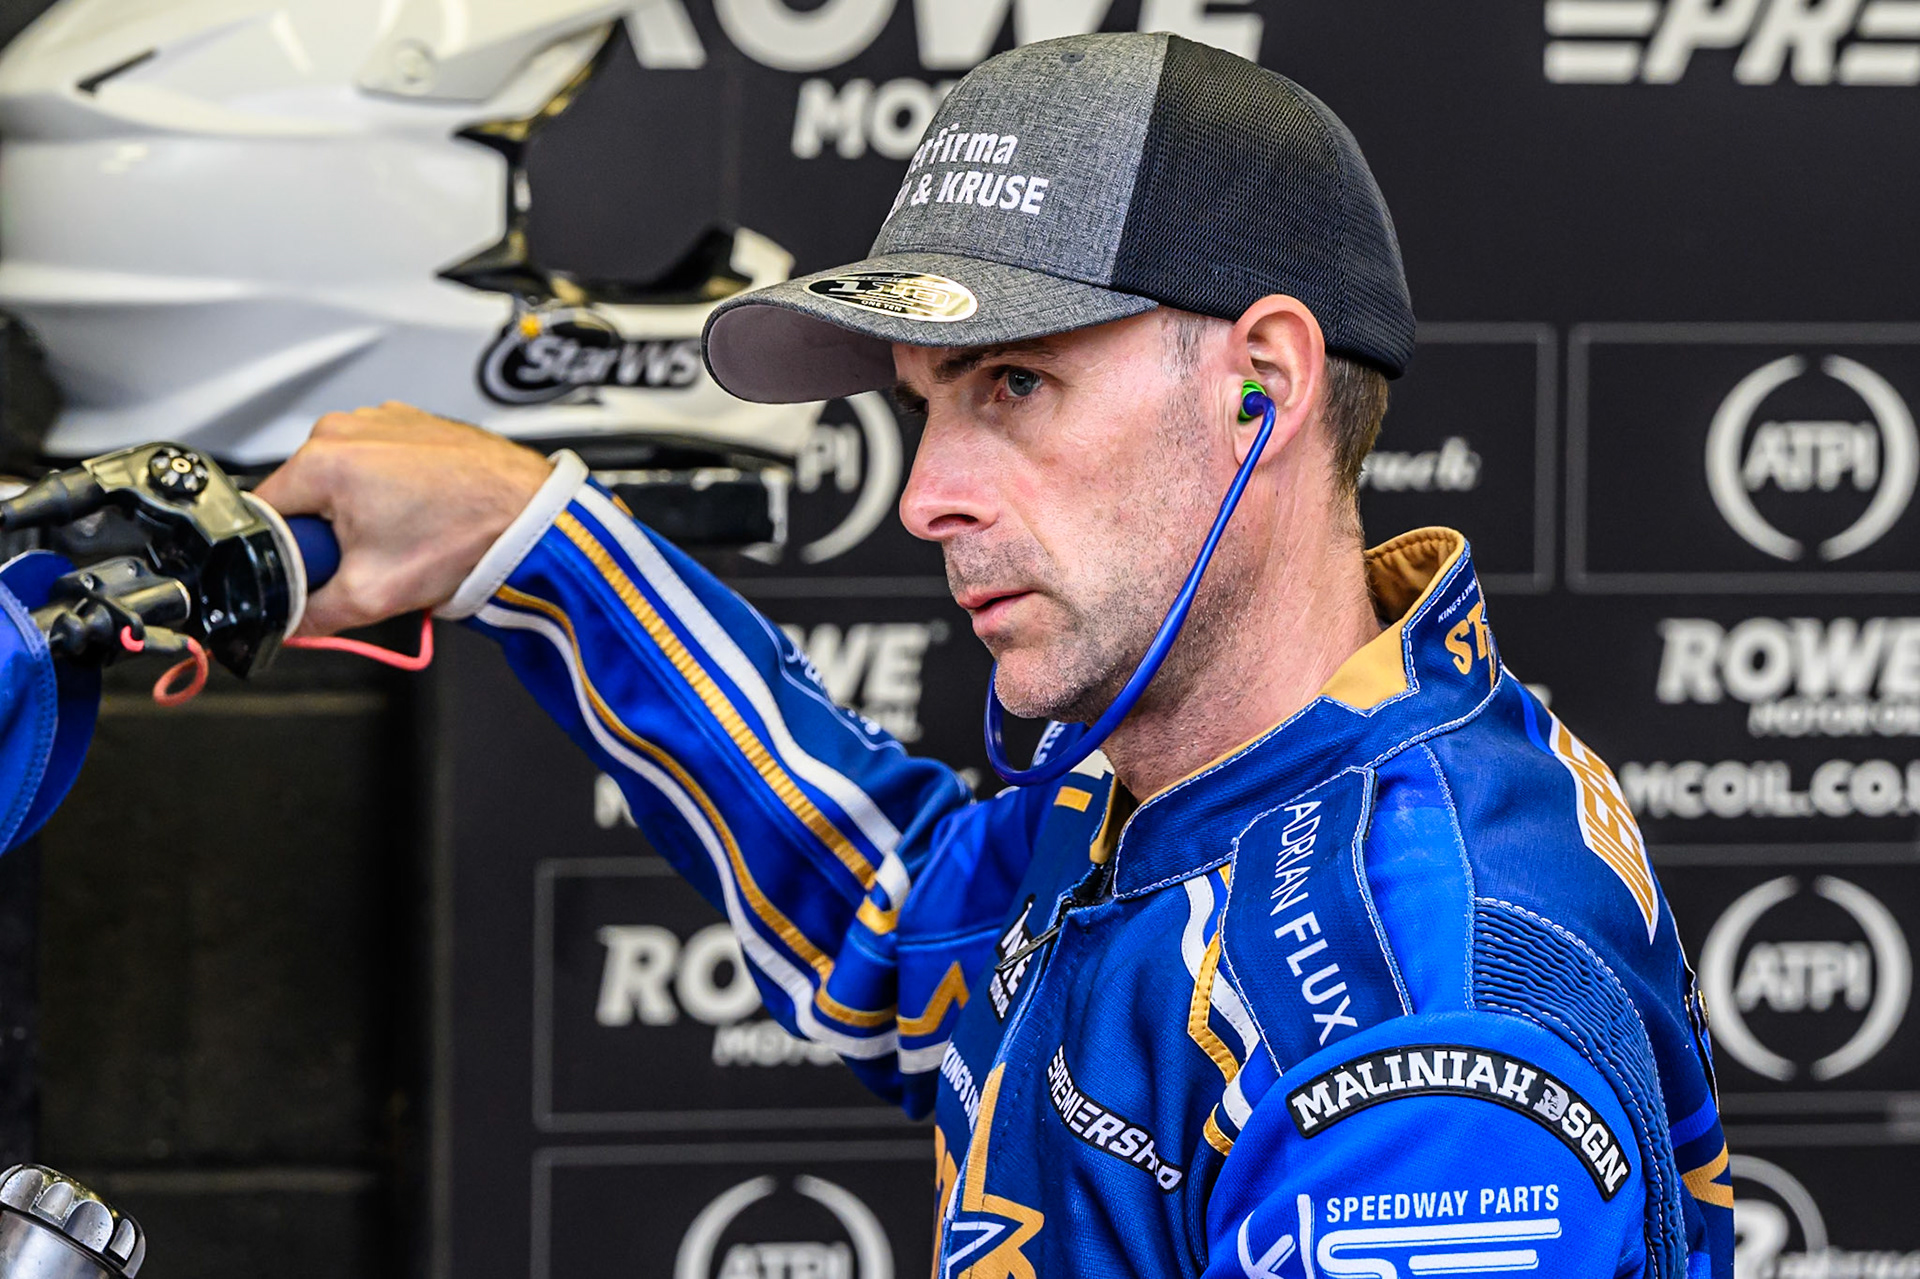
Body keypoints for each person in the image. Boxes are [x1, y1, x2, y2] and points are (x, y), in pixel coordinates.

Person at [258, 32, 1732, 1279]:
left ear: (1261, 387)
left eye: (1014, 383)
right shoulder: (1198, 784)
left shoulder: (1416, 1042)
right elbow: (907, 928)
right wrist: (539, 542)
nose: (923, 494)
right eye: (924, 405)